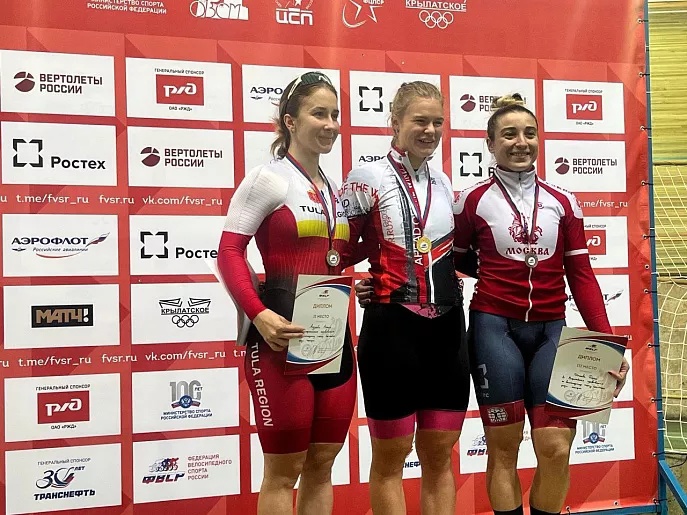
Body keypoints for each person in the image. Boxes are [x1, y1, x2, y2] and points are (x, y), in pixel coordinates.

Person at [452, 94, 630, 515]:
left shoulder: (563, 200)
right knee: (504, 447)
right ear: (490, 143)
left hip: (552, 331)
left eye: (529, 133)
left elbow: (581, 275)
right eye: (509, 134)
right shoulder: (471, 200)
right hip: (494, 329)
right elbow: (458, 260)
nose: (521, 142)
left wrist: (606, 344)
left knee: (555, 447)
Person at [217, 71, 356, 515]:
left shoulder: (335, 191)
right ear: (290, 121)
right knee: (283, 470)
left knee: (322, 465)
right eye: (319, 114)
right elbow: (229, 252)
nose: (331, 124)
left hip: (333, 342)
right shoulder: (269, 179)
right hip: (280, 341)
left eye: (335, 114)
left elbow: (334, 257)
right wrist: (258, 314)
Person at [340, 81, 470, 515]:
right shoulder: (366, 177)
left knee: (440, 455)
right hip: (391, 328)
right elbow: (340, 250)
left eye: (438, 122)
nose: (430, 130)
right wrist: (360, 284)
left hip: (447, 330)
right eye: (420, 121)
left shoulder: (444, 182)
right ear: (395, 122)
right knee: (390, 459)